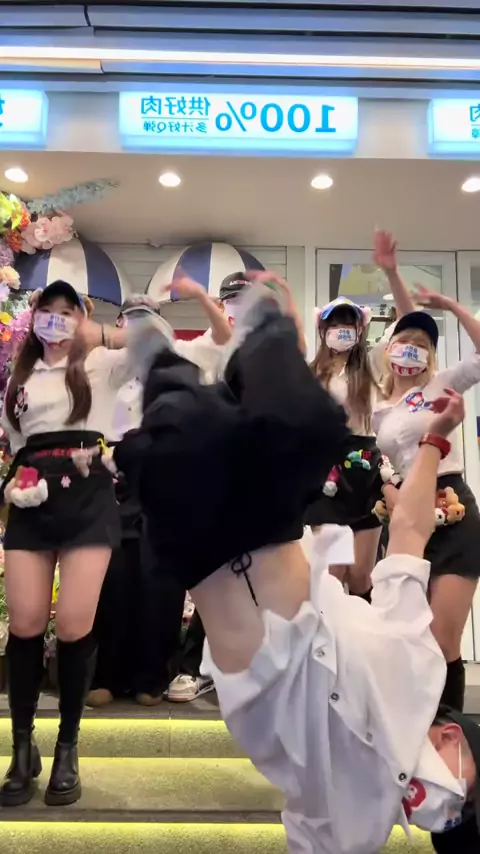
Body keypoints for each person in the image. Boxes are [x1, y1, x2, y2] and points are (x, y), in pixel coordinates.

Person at [117, 284, 480, 854]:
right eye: (468, 799)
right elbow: (410, 533)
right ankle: (260, 327)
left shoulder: (352, 825)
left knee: (180, 434)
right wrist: (435, 442)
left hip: (202, 554)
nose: (451, 809)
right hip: (271, 529)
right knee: (310, 425)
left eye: (456, 821)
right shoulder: (421, 667)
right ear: (455, 735)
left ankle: (154, 354)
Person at [0, 279, 142, 808]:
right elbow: (17, 446)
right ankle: (21, 750)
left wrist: (97, 333)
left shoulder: (102, 364)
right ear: (33, 317)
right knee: (25, 623)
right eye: (48, 310)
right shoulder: (19, 378)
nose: (56, 319)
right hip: (33, 499)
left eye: (68, 311)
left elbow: (156, 339)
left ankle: (67, 747)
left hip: (88, 498)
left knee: (75, 624)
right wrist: (13, 486)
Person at [88, 284, 231, 707]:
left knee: (160, 581)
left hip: (164, 476)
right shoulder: (102, 363)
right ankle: (107, 675)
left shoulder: (183, 358)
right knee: (112, 579)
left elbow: (222, 339)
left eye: (148, 324)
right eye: (132, 323)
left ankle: (151, 677)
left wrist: (203, 299)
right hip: (112, 474)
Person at [373, 283, 480, 714]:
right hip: (404, 518)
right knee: (404, 633)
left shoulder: (440, 384)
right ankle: (406, 726)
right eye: (405, 341)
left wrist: (451, 305)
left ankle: (447, 732)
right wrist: (390, 494)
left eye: (421, 344)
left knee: (442, 638)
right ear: (389, 350)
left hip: (452, 507)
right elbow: (380, 462)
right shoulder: (379, 408)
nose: (411, 349)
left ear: (430, 356)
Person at [305, 231, 415, 600]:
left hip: (366, 466)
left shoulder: (371, 365)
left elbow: (409, 322)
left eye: (349, 324)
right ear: (323, 329)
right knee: (331, 574)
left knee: (361, 576)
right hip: (326, 471)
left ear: (360, 329)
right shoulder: (311, 374)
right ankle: (329, 636)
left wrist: (392, 272)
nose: (342, 330)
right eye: (335, 323)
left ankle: (361, 635)